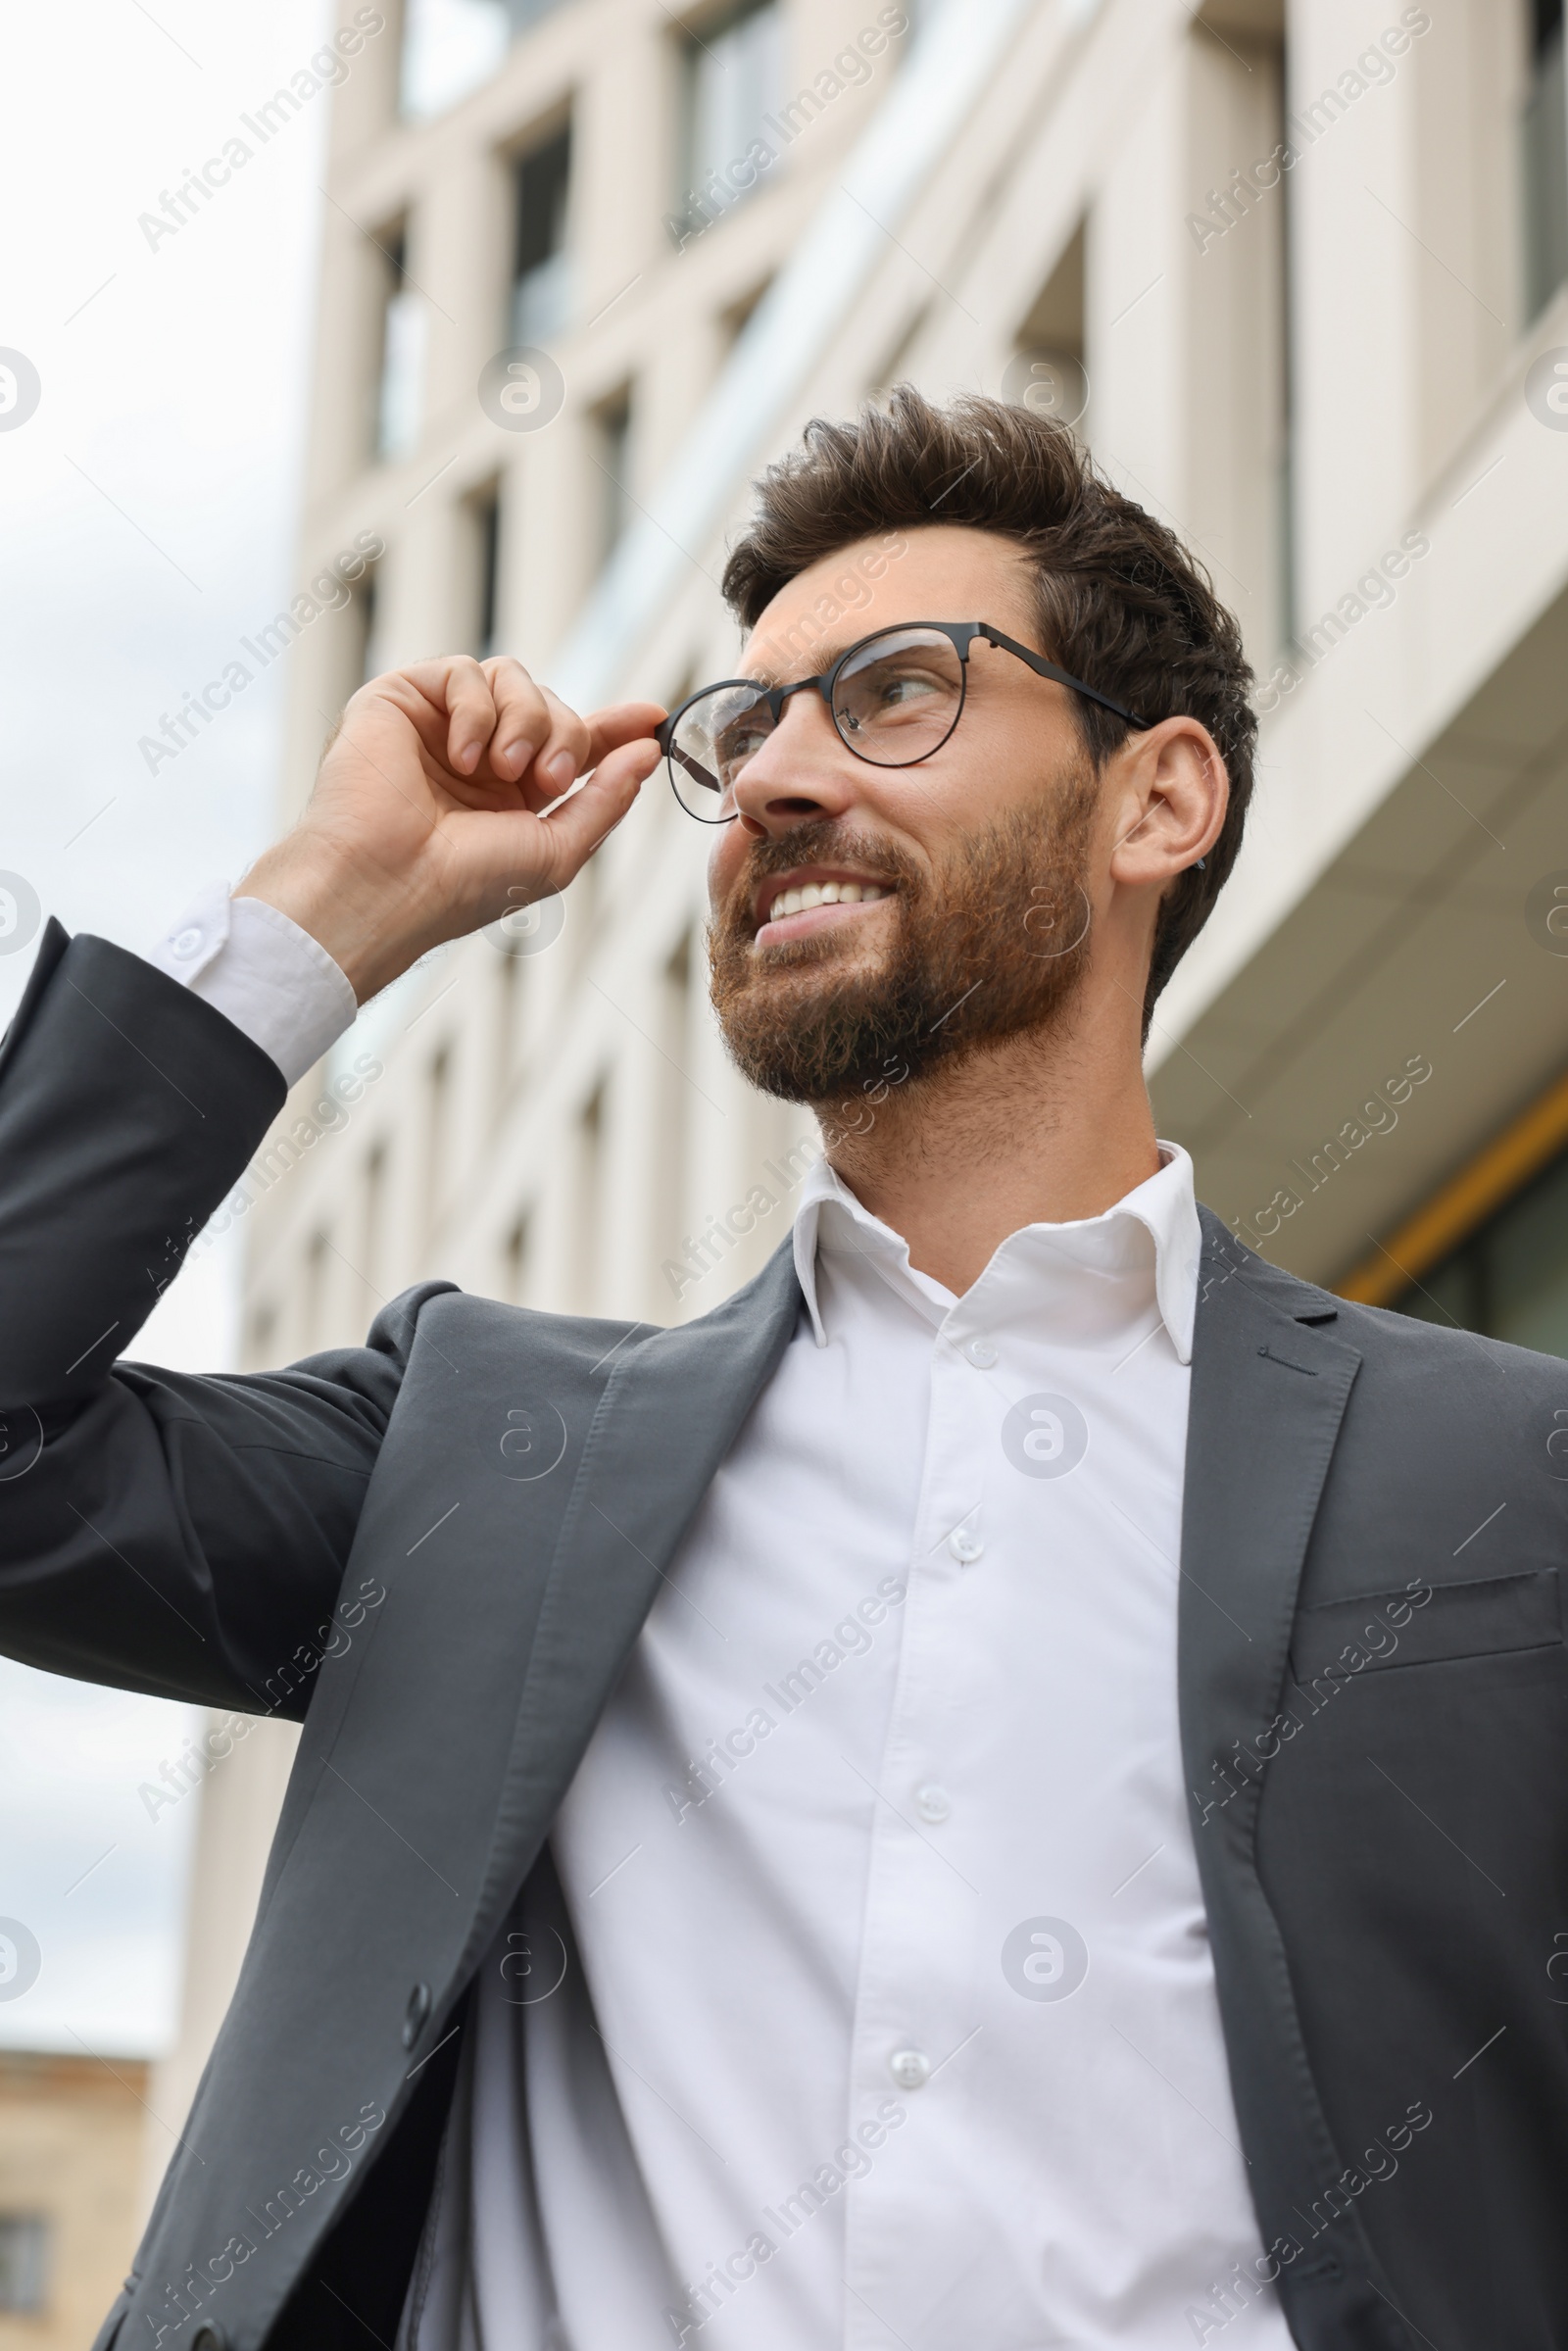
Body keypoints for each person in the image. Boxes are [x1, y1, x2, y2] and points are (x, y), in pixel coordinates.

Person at [0, 388, 1557, 2351]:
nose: (775, 780)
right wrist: (341, 895)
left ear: (1155, 800)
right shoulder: (475, 1454)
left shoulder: (1510, 1478)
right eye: (746, 731)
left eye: (893, 693)